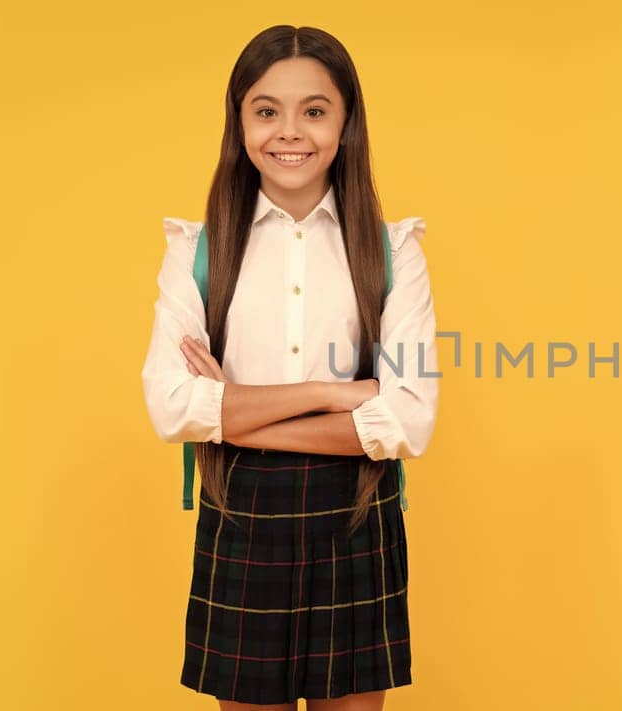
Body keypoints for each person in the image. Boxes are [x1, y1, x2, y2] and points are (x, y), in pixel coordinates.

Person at [139, 24, 440, 710]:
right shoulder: (195, 251)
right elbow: (170, 407)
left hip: (356, 518)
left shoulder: (395, 252)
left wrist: (234, 411)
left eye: (314, 109)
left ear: (345, 122)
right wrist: (333, 392)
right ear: (239, 120)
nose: (289, 132)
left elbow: (407, 421)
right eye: (266, 110)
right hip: (242, 519)